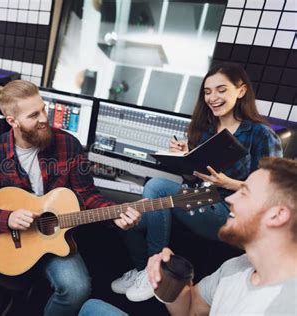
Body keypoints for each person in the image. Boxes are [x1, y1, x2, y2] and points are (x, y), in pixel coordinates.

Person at [0, 80, 141, 316]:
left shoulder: (68, 145)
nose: (44, 118)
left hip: (51, 237)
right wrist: (6, 219)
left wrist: (115, 213)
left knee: (77, 289)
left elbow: (88, 195)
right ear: (13, 121)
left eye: (44, 109)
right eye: (34, 115)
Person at [111, 62, 283, 302]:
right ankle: (143, 269)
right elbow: (195, 178)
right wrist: (185, 157)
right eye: (207, 91)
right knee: (131, 211)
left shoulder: (261, 134)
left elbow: (271, 192)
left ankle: (157, 275)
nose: (213, 97)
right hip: (202, 197)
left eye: (221, 90)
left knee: (157, 187)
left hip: (231, 210)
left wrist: (227, 183)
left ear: (241, 90)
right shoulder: (206, 131)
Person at [80, 157, 297, 315]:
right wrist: (167, 282)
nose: (230, 199)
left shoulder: (286, 302)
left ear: (277, 215)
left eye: (244, 192)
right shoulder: (235, 268)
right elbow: (191, 309)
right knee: (91, 308)